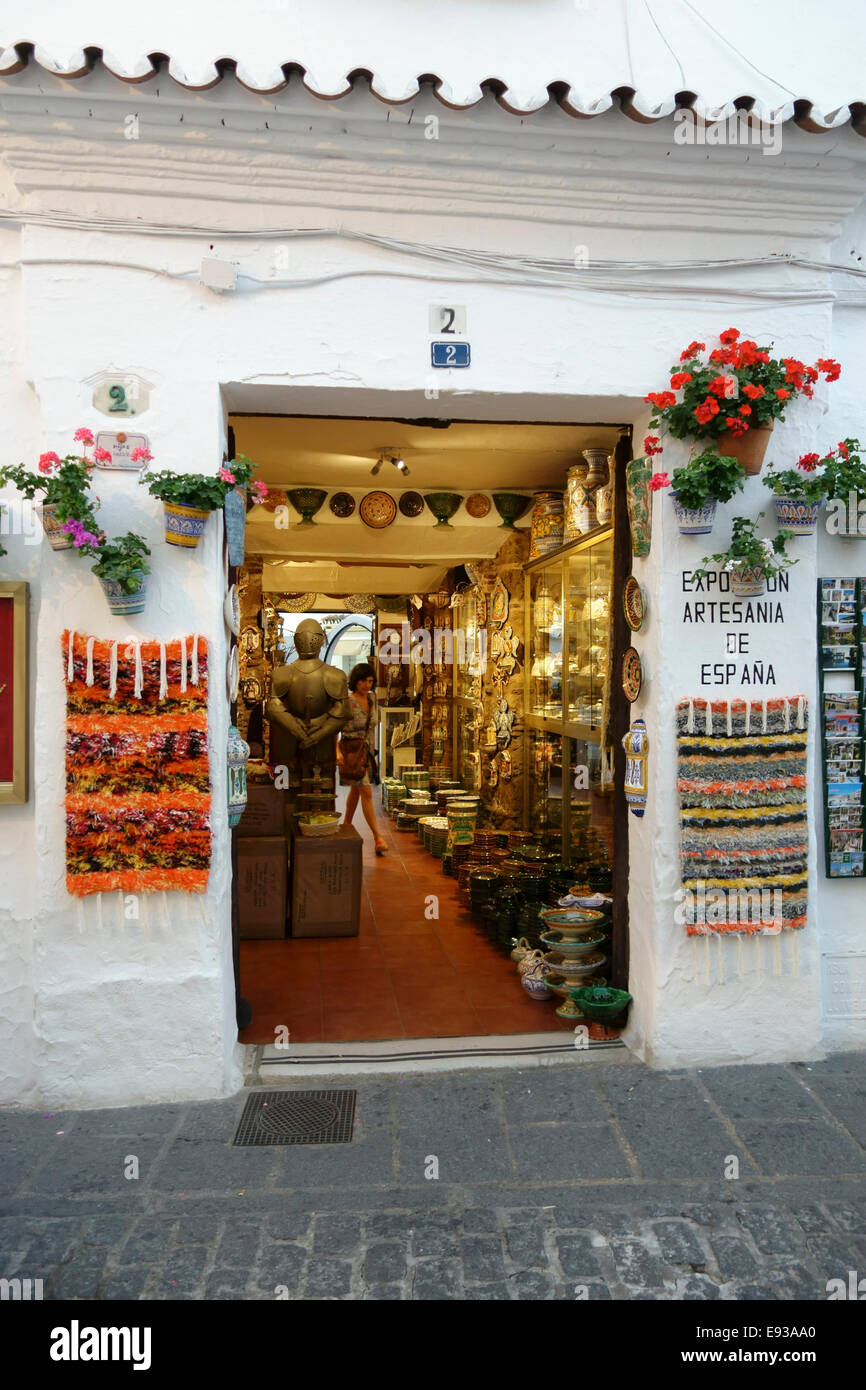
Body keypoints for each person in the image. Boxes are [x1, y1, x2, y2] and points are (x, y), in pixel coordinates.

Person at [340, 662, 388, 856]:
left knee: (356, 790)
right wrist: (337, 752)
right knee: (366, 791)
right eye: (363, 681)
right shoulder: (347, 701)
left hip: (365, 752)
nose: (367, 685)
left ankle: (346, 826)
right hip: (351, 750)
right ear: (355, 681)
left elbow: (373, 725)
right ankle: (378, 837)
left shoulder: (372, 699)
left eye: (370, 681)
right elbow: (337, 727)